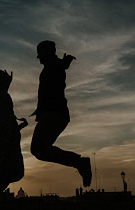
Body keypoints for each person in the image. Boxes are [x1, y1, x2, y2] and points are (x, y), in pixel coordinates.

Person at [29, 41, 92, 187]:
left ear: (48, 53)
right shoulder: (52, 66)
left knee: (38, 149)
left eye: (40, 54)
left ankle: (80, 162)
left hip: (54, 114)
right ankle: (79, 162)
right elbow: (61, 67)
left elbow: (59, 66)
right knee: (40, 150)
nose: (38, 58)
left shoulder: (52, 65)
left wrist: (64, 62)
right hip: (55, 114)